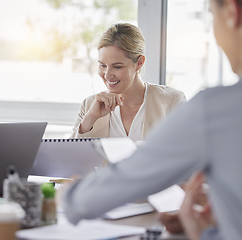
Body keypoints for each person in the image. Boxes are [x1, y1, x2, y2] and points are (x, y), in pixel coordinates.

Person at [61, 0, 242, 239]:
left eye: (211, 16)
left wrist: (70, 196)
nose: (107, 74)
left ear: (232, 11)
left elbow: (135, 173)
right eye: (102, 65)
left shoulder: (211, 108)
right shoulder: (92, 104)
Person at [71, 23, 186, 141]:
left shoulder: (172, 102)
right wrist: (90, 118)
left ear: (139, 63)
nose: (107, 75)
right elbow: (68, 156)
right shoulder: (89, 105)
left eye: (117, 67)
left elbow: (188, 154)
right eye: (103, 65)